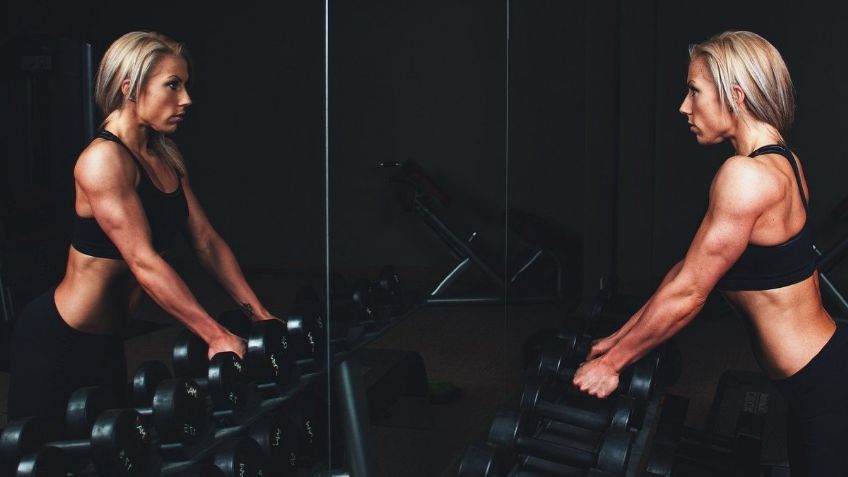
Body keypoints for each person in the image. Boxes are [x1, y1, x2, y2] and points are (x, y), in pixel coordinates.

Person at [572, 30, 847, 475]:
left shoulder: (746, 176)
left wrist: (613, 367)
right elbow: (688, 270)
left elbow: (691, 293)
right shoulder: (784, 161)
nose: (684, 106)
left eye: (694, 91)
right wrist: (620, 340)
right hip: (820, 372)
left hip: (824, 384)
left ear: (735, 95)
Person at [7, 31, 279, 423]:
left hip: (108, 342)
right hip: (58, 340)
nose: (186, 99)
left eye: (185, 85)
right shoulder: (102, 161)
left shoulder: (163, 156)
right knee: (40, 459)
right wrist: (215, 335)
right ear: (129, 86)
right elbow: (143, 261)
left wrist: (259, 315)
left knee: (109, 452)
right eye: (172, 85)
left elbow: (206, 242)